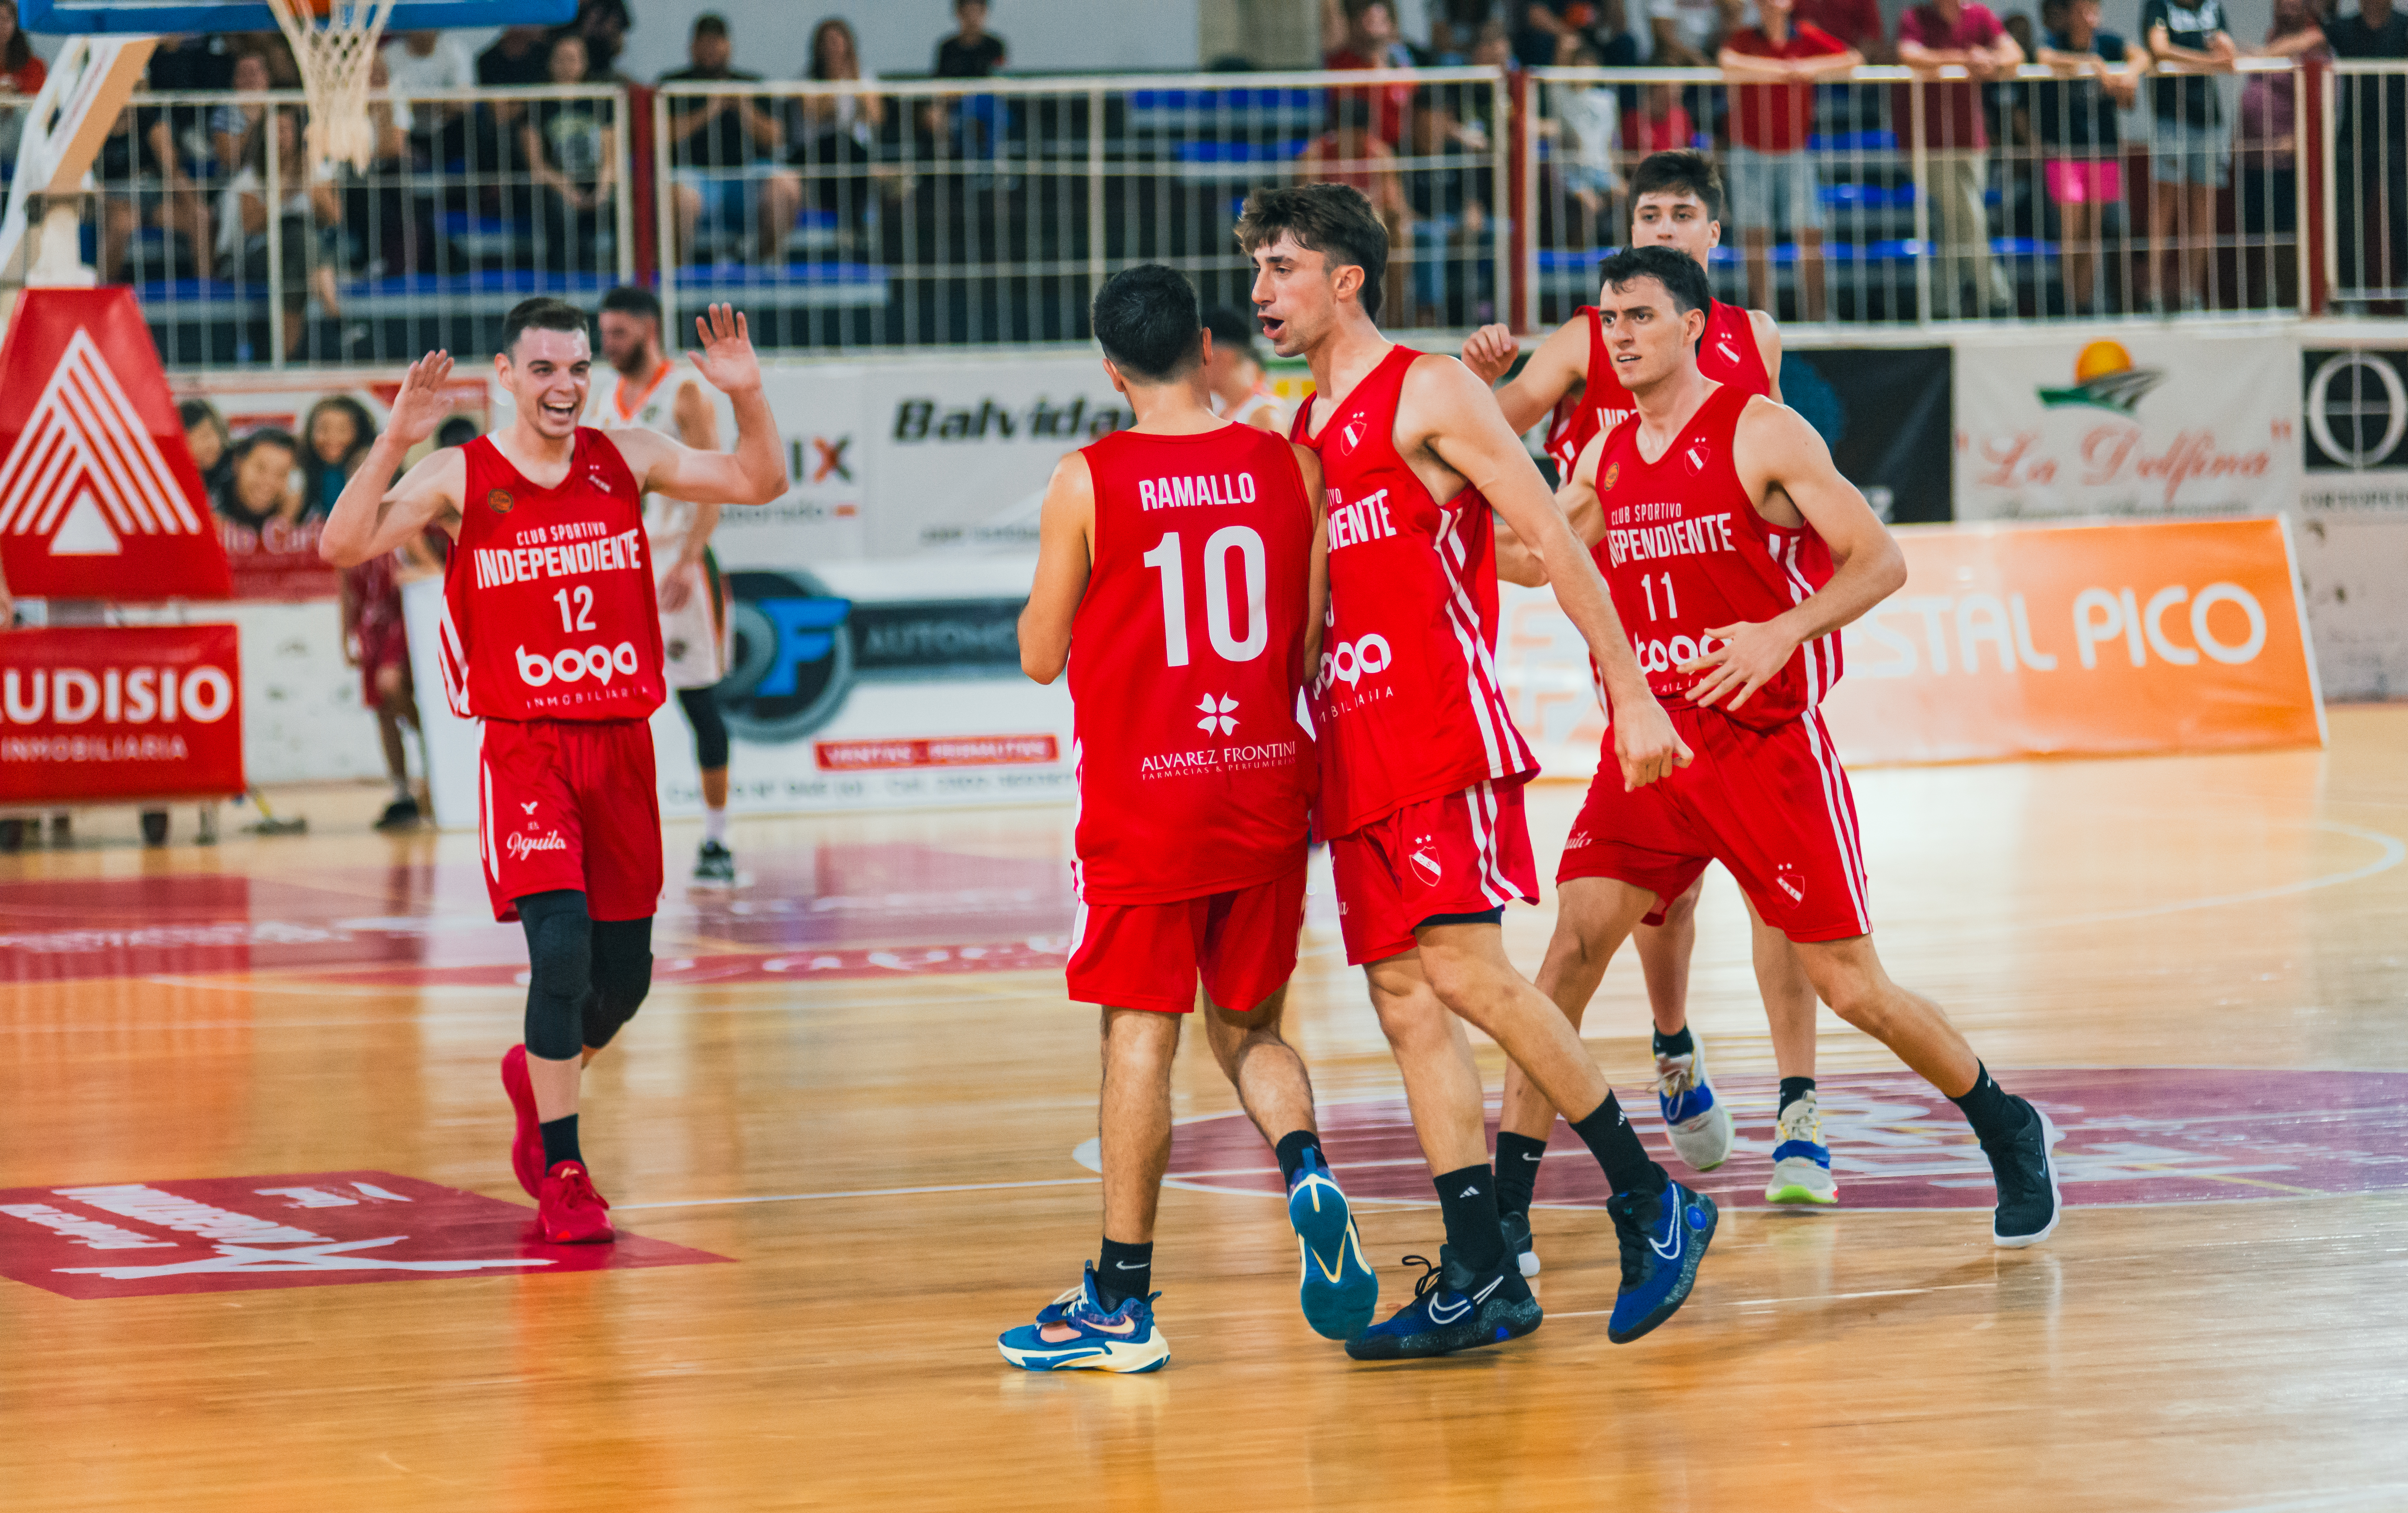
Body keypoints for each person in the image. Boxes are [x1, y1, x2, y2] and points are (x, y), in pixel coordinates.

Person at [1510, 243, 2068, 1251]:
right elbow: (1537, 556)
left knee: (1854, 987)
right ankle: (1502, 1217)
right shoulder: (1602, 454)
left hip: (1764, 746)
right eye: (1608, 320)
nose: (1620, 336)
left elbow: (1880, 559)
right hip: (1653, 751)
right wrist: (1443, 501)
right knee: (1563, 965)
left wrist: (1785, 628)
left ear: (1694, 325)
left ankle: (2005, 1122)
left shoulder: (1762, 429)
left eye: (1639, 316)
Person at [1246, 182, 1715, 1357]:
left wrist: (1639, 690)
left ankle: (1653, 1197)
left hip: (1436, 732)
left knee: (1465, 973)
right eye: (1258, 268)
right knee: (1406, 999)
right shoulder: (1304, 432)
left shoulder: (1432, 388)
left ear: (1346, 279)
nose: (1262, 290)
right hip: (1353, 749)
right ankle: (1483, 1269)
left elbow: (1550, 539)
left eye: (1283, 266)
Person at [321, 300, 783, 1243]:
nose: (564, 385)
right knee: (560, 949)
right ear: (504, 374)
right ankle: (566, 1168)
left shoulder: (631, 454)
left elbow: (759, 478)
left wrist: (749, 395)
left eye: (575, 367)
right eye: (543, 370)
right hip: (527, 745)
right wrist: (394, 439)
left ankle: (539, 1073)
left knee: (624, 983)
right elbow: (342, 543)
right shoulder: (461, 473)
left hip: (621, 745)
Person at [997, 263, 1375, 1373]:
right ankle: (1306, 1167)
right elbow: (1304, 643)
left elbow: (1039, 655)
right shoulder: (1289, 464)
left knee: (1137, 1043)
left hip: (1147, 803)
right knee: (1251, 1029)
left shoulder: (1086, 479)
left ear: (1109, 366)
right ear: (1209, 347)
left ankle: (1120, 1302)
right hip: (1262, 786)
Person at [1461, 150, 1829, 1261]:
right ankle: (1672, 1041)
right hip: (1626, 621)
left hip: (1735, 636)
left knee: (1781, 894)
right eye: (1646, 210)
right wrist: (1490, 372)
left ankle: (1801, 1109)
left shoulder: (1751, 337)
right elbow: (1484, 430)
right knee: (1655, 904)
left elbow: (1769, 468)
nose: (1664, 221)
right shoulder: (1584, 338)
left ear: (1713, 237)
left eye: (1681, 212)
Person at [591, 285, 741, 887]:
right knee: (613, 708)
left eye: (619, 333)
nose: (609, 344)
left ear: (649, 330)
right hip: (620, 570)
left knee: (698, 699)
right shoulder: (605, 397)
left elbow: (718, 480)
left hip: (676, 566)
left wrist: (689, 558)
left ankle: (717, 837)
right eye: (604, 333)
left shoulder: (682, 391)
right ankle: (617, 835)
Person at [1721, 0, 1863, 321]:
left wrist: (1808, 70)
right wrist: (1785, 72)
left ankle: (1817, 314)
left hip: (1795, 150)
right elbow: (1727, 64)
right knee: (1754, 236)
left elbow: (1853, 59)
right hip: (1749, 150)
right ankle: (1762, 318)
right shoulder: (1744, 38)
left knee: (1810, 232)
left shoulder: (1805, 35)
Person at [1897, 0, 2024, 317]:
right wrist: (1965, 59)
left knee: (1954, 224)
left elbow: (2014, 55)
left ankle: (1941, 305)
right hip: (1926, 141)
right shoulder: (1916, 18)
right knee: (1969, 215)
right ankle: (1998, 299)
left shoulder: (1979, 16)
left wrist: (1990, 61)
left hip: (1971, 140)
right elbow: (1909, 55)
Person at [663, 14, 803, 266]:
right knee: (679, 197)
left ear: (729, 45)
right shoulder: (673, 85)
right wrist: (709, 110)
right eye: (704, 42)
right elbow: (661, 135)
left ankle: (762, 263)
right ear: (692, 47)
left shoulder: (751, 85)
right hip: (693, 177)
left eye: (717, 42)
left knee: (787, 185)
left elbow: (777, 138)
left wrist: (743, 107)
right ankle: (679, 275)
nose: (711, 49)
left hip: (746, 175)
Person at [2034, 0, 2137, 315]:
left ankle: (2082, 303)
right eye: (2084, 10)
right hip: (2066, 152)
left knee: (2093, 232)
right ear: (2068, 14)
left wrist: (2129, 74)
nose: (2091, 17)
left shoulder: (2109, 42)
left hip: (2103, 151)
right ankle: (2069, 301)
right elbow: (2043, 58)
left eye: (2095, 10)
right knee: (2071, 233)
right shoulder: (2055, 42)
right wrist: (2091, 64)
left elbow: (2141, 54)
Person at [218, 108, 344, 360]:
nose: (281, 137)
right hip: (251, 258)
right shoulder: (250, 177)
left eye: (286, 130)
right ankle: (337, 317)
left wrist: (308, 182)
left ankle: (284, 355)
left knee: (298, 246)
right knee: (295, 234)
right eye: (274, 130)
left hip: (297, 259)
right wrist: (284, 188)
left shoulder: (312, 170)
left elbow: (333, 216)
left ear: (297, 135)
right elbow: (252, 225)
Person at [2141, 0, 2238, 311]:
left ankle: (2191, 292)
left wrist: (2212, 58)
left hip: (2209, 119)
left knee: (2203, 206)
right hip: (2170, 116)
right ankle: (2153, 292)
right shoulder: (2158, 5)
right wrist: (2206, 62)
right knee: (2164, 203)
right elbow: (2159, 49)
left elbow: (2228, 52)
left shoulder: (2212, 7)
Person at [2236, 0, 2330, 308]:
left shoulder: (2314, 40)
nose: (2285, 6)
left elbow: (2326, 99)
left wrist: (2298, 138)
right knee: (2255, 237)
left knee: (2287, 238)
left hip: (2286, 163)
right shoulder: (2270, 36)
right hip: (2252, 160)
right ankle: (2259, 303)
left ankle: (2292, 302)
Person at [2324, 0, 2408, 309]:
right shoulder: (2342, 29)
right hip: (2351, 141)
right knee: (2346, 221)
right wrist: (2262, 54)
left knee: (2404, 216)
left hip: (2398, 141)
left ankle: (2405, 290)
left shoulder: (2404, 28)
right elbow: (2310, 40)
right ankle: (2350, 296)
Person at [342, 533, 427, 831]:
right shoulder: (348, 527)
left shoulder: (402, 528)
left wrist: (414, 574)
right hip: (370, 628)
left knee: (393, 687)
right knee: (382, 712)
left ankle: (435, 762)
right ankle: (402, 790)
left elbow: (433, 568)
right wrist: (346, 635)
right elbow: (345, 586)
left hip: (399, 622)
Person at [521, 33, 618, 274]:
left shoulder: (600, 101)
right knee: (561, 210)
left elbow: (612, 157)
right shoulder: (537, 103)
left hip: (595, 180)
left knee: (623, 203)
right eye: (561, 59)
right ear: (551, 63)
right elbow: (537, 164)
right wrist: (567, 189)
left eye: (573, 59)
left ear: (584, 63)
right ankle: (565, 278)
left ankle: (621, 275)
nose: (567, 65)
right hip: (555, 185)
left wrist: (603, 189)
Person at [793, 17, 884, 239]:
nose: (833, 48)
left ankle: (851, 230)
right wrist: (835, 82)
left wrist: (854, 82)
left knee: (852, 153)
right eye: (828, 42)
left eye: (838, 41)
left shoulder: (862, 79)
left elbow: (876, 117)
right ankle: (850, 228)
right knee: (840, 143)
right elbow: (816, 115)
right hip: (815, 154)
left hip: (853, 157)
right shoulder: (806, 80)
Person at [1322, 0, 1418, 144]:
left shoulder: (1402, 62)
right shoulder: (1340, 62)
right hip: (1358, 151)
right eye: (1366, 15)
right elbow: (1330, 20)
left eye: (1382, 19)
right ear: (1353, 23)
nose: (1374, 18)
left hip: (1401, 148)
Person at [1201, 305, 1288, 431]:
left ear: (1222, 357)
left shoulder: (1263, 416)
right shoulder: (1224, 410)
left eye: (1196, 356)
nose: (1193, 368)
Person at [301, 396, 377, 522]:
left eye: (343, 430)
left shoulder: (369, 469)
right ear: (310, 432)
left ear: (359, 432)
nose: (332, 437)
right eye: (324, 429)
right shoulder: (304, 472)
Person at [213, 428, 303, 529]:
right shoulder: (211, 503)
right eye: (261, 468)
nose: (269, 482)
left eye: (281, 474)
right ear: (238, 463)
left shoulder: (299, 515)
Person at [182, 400, 236, 507]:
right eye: (190, 441)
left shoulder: (237, 466)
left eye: (206, 435)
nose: (202, 447)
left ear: (221, 432)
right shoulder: (179, 482)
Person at [935, 0, 1009, 77]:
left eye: (977, 12)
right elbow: (940, 82)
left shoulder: (995, 46)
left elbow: (1000, 79)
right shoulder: (947, 48)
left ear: (985, 12)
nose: (972, 18)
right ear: (958, 13)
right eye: (968, 13)